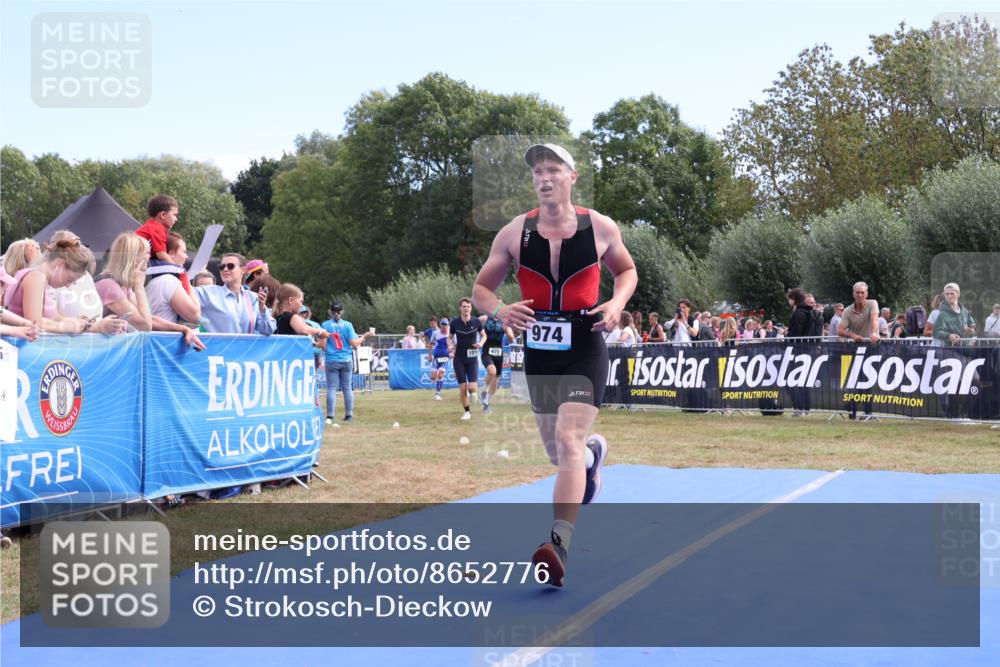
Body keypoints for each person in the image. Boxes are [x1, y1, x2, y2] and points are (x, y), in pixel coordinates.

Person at [472, 142, 637, 587]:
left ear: (572, 177)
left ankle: (558, 543)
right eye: (537, 172)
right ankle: (593, 458)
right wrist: (500, 309)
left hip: (586, 343)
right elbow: (481, 289)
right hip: (541, 351)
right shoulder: (514, 232)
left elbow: (626, 271)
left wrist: (616, 303)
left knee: (567, 439)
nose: (544, 178)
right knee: (558, 453)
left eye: (553, 169)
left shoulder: (600, 226)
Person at [3, 232, 126, 335]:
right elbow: (35, 323)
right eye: (69, 279)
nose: (68, 285)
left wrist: (79, 322)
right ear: (60, 264)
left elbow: (54, 318)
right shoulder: (35, 277)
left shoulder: (42, 280)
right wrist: (72, 326)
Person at [194, 253, 276, 335]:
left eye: (230, 266)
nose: (225, 269)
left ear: (243, 270)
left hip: (245, 343)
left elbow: (269, 329)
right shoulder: (208, 293)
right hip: (218, 343)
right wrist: (190, 272)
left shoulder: (253, 298)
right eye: (222, 267)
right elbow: (187, 292)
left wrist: (262, 309)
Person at [321, 301, 374, 426]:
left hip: (331, 360)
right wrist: (365, 336)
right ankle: (348, 415)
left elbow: (323, 346)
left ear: (330, 312)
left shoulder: (325, 325)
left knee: (331, 388)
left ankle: (330, 416)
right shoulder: (348, 325)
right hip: (346, 360)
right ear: (342, 311)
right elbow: (354, 343)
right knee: (347, 388)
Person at [94, 233, 154, 332]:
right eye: (147, 253)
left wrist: (180, 328)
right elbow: (145, 325)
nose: (149, 256)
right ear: (133, 257)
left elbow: (147, 317)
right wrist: (139, 287)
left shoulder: (120, 282)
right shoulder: (108, 285)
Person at [838, 281, 879, 419]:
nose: (860, 295)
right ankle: (863, 411)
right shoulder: (848, 310)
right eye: (857, 292)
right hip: (856, 348)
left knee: (869, 381)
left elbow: (874, 319)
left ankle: (853, 406)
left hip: (873, 346)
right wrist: (853, 335)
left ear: (867, 294)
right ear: (853, 294)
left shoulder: (873, 303)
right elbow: (840, 330)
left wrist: (874, 333)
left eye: (862, 292)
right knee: (860, 380)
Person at [449, 298, 485, 420]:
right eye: (464, 306)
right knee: (463, 387)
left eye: (468, 306)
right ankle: (467, 412)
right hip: (459, 358)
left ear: (471, 308)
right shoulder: (454, 323)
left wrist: (481, 343)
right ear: (460, 308)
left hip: (472, 358)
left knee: (472, 388)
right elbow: (449, 337)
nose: (466, 308)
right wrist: (449, 345)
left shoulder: (476, 322)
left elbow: (484, 335)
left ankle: (474, 393)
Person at [786, 287, 814, 416]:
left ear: (794, 299)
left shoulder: (798, 313)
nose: (789, 302)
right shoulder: (808, 312)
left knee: (789, 379)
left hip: (797, 350)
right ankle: (806, 408)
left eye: (790, 299)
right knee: (803, 380)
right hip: (806, 349)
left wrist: (787, 335)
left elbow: (796, 333)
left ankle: (799, 407)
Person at [479, 312, 513, 414]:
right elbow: (474, 325)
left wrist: (509, 332)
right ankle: (483, 391)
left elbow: (511, 338)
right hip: (487, 351)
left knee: (496, 380)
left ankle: (486, 403)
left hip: (499, 353)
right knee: (492, 372)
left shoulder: (505, 322)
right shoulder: (485, 319)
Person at [136, 195, 180, 265]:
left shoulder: (150, 225)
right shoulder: (157, 229)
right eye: (174, 215)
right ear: (163, 215)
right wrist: (177, 268)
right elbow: (161, 255)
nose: (176, 219)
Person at [428, 318, 451, 400]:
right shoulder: (435, 333)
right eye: (443, 324)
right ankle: (437, 381)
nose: (444, 326)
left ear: (448, 325)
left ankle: (437, 394)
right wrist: (430, 355)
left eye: (446, 324)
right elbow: (430, 343)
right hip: (437, 357)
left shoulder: (451, 333)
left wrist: (453, 351)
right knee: (433, 377)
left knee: (440, 375)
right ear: (440, 325)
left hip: (445, 357)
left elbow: (455, 343)